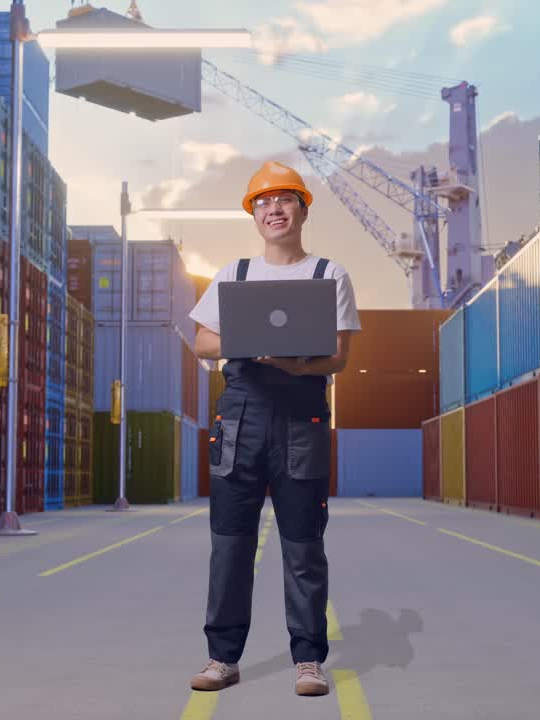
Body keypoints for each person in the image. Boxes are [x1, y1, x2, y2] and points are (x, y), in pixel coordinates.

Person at [186, 161, 360, 697]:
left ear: (304, 209)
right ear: (253, 215)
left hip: (301, 416)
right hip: (241, 418)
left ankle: (308, 660)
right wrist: (251, 343)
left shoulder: (329, 274)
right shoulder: (232, 275)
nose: (274, 209)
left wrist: (295, 367)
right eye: (263, 202)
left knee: (304, 545)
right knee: (230, 544)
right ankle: (222, 658)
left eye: (285, 199)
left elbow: (338, 358)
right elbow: (204, 344)